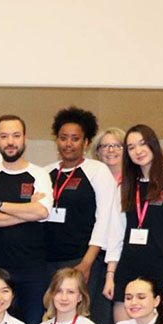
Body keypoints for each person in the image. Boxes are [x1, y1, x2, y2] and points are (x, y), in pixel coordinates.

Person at [103, 125, 163, 320]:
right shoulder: (125, 186)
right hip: (127, 269)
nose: (138, 151)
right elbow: (116, 234)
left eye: (142, 144)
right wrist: (110, 276)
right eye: (131, 147)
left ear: (154, 145)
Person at [0, 114, 53, 324]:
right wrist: (27, 212)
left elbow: (42, 212)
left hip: (33, 271)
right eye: (4, 136)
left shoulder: (39, 174)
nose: (10, 142)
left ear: (25, 138)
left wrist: (0, 206)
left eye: (16, 136)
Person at [43, 107, 118, 302]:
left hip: (82, 259)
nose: (68, 144)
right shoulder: (45, 172)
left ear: (85, 142)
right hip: (48, 260)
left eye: (75, 139)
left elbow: (104, 219)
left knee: (83, 316)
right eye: (63, 138)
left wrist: (87, 262)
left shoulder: (97, 171)